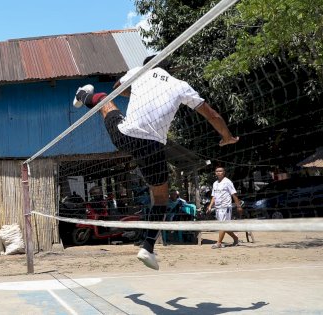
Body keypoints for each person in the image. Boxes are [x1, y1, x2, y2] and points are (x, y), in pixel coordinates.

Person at [72, 55, 239, 270]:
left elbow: (118, 89)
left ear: (148, 65)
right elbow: (212, 114)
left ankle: (87, 96)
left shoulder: (138, 72)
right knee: (160, 199)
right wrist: (227, 137)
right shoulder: (181, 85)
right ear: (170, 70)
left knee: (106, 100)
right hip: (152, 146)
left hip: (126, 137)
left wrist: (137, 90)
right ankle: (148, 247)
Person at [206, 166, 243, 249]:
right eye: (217, 171)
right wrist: (210, 206)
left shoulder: (227, 182)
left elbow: (234, 194)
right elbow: (214, 196)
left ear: (224, 172)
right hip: (217, 207)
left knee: (222, 225)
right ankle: (235, 238)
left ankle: (218, 243)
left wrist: (238, 206)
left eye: (220, 171)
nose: (218, 172)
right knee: (224, 226)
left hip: (225, 206)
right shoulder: (215, 183)